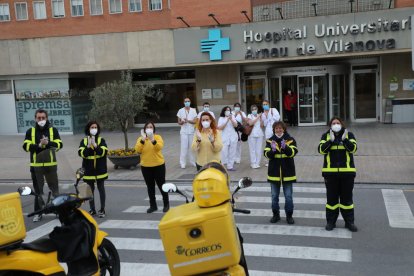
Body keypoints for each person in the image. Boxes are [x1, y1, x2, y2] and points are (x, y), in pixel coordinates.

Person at [318, 117, 358, 232]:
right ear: (330, 125)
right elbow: (321, 150)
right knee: (332, 201)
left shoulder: (349, 135)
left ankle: (349, 222)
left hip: (347, 173)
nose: (336, 125)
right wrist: (330, 141)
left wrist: (345, 140)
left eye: (338, 123)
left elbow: (353, 149)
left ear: (342, 124)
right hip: (330, 174)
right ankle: (331, 222)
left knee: (347, 201)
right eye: (333, 123)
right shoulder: (325, 136)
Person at [22, 109, 63, 222]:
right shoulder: (30, 131)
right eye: (39, 118)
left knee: (54, 190)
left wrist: (48, 143)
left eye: (43, 118)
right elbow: (26, 146)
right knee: (38, 191)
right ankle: (38, 213)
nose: (41, 120)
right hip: (36, 166)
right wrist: (39, 145)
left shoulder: (53, 130)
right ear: (35, 118)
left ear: (46, 118)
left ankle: (58, 210)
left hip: (51, 165)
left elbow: (59, 145)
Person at [264, 121, 298, 225]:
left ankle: (289, 216)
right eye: (276, 129)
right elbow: (266, 154)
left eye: (280, 128)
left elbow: (293, 152)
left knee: (288, 196)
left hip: (288, 172)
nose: (278, 130)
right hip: (274, 173)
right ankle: (276, 215)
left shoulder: (290, 140)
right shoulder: (270, 141)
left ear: (284, 129)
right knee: (274, 196)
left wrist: (286, 147)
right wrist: (273, 150)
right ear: (274, 130)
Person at [135, 121, 169, 213]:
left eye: (151, 127)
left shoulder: (158, 137)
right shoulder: (141, 139)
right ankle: (153, 205)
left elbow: (159, 147)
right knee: (150, 187)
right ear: (145, 129)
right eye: (147, 127)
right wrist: (142, 140)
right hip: (146, 166)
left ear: (154, 129)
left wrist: (152, 140)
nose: (149, 129)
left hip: (158, 165)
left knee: (162, 185)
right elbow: (138, 150)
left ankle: (166, 204)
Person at [78, 121, 108, 218]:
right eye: (92, 127)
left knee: (101, 189)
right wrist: (88, 146)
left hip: (100, 169)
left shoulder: (101, 140)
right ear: (88, 129)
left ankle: (102, 209)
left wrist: (95, 145)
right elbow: (82, 154)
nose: (94, 129)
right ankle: (92, 209)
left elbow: (103, 152)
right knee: (90, 190)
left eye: (95, 127)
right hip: (88, 170)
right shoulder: (84, 141)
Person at [177, 98, 197, 169]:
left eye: (188, 101)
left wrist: (188, 121)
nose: (187, 102)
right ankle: (182, 163)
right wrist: (182, 122)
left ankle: (193, 161)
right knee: (184, 147)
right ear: (183, 102)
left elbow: (195, 121)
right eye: (185, 101)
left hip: (191, 131)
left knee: (192, 147)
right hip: (184, 132)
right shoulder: (180, 110)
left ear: (190, 102)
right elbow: (179, 122)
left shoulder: (193, 110)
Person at [217, 106, 238, 171]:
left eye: (229, 110)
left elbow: (236, 125)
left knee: (232, 152)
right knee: (224, 152)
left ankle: (230, 166)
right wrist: (227, 120)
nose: (228, 111)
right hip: (224, 137)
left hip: (233, 137)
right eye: (226, 110)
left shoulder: (233, 117)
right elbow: (220, 128)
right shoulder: (221, 118)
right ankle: (222, 166)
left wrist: (231, 119)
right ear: (224, 111)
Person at [261, 100, 280, 166]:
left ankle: (276, 159)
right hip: (268, 131)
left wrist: (271, 115)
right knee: (269, 145)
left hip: (275, 130)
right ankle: (269, 160)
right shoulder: (263, 114)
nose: (265, 105)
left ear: (269, 104)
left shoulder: (273, 110)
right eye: (264, 104)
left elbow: (277, 118)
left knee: (275, 145)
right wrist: (266, 116)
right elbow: (265, 124)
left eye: (266, 104)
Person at [247, 105, 263, 169]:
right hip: (252, 134)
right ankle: (253, 163)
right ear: (251, 110)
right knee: (252, 149)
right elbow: (250, 123)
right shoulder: (249, 116)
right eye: (253, 109)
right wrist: (258, 117)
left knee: (259, 149)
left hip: (259, 134)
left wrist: (261, 118)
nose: (254, 110)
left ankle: (257, 163)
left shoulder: (259, 116)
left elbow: (262, 126)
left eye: (255, 109)